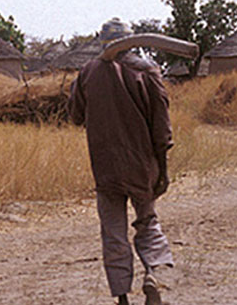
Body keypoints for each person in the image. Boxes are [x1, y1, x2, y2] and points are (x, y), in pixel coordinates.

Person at [67, 18, 175, 305]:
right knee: (147, 222)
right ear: (131, 42)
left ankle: (122, 298)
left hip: (105, 169)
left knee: (113, 233)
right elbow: (161, 127)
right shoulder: (147, 72)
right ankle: (152, 273)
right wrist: (162, 171)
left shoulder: (88, 72)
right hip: (142, 167)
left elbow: (76, 115)